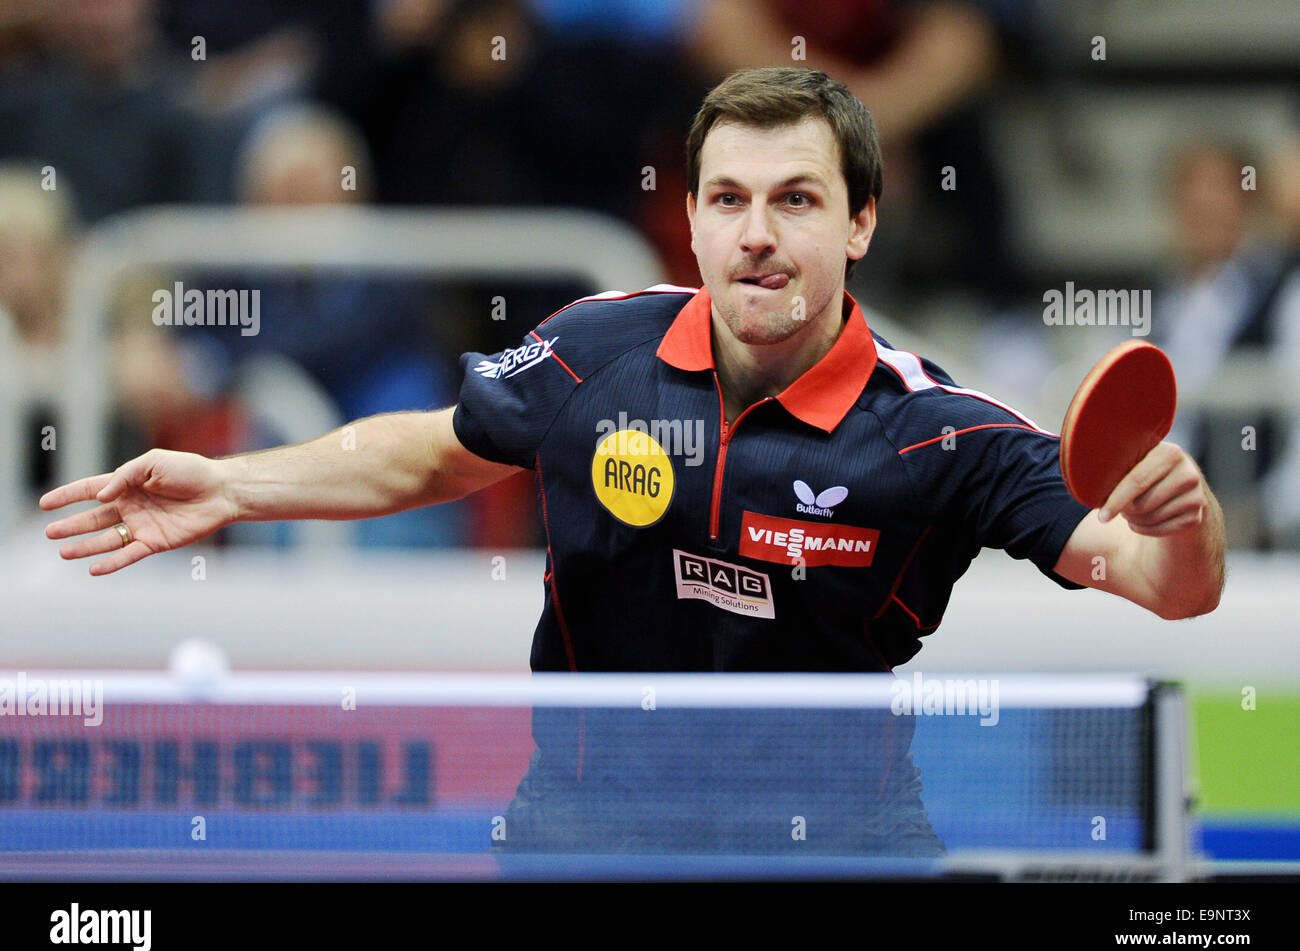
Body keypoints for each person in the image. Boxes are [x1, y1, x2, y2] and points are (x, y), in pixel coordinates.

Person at [40, 68, 1225, 855]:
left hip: (837, 844)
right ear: (695, 219)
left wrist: (1184, 521)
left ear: (859, 222)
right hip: (584, 832)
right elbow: (433, 457)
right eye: (729, 198)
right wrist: (236, 484)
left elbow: (1165, 582)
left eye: (797, 199)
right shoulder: (595, 348)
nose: (757, 232)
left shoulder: (940, 430)